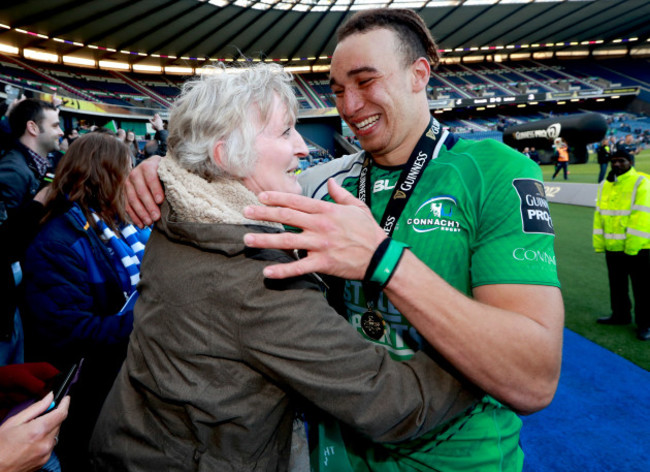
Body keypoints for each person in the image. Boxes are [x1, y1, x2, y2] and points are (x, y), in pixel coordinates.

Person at [125, 10, 563, 471]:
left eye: (365, 81)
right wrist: (159, 171)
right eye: (337, 90)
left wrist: (383, 259)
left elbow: (534, 380)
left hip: (456, 459)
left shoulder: (495, 172)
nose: (349, 106)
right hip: (335, 454)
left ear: (419, 75)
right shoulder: (318, 183)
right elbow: (220, 185)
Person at [90, 63, 480, 472]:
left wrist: (154, 166)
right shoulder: (257, 278)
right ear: (226, 155)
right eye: (285, 131)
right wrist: (482, 356)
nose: (304, 146)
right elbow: (396, 404)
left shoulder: (177, 212)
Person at [21, 132, 150, 470]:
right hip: (85, 399)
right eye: (128, 170)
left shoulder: (120, 225)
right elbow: (70, 331)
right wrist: (150, 318)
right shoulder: (57, 241)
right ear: (105, 176)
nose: (134, 179)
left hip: (117, 383)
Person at [0, 99, 62, 366]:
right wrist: (39, 203)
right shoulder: (12, 170)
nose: (61, 131)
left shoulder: (32, 166)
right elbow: (5, 243)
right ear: (33, 128)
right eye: (56, 124)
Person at [593, 149, 650, 341]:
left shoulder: (641, 182)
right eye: (613, 161)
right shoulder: (604, 185)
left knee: (642, 289)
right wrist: (601, 243)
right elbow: (599, 216)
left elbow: (641, 217)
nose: (616, 164)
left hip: (639, 248)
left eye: (622, 161)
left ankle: (645, 325)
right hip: (613, 246)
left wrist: (632, 247)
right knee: (617, 285)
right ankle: (620, 315)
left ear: (631, 162)